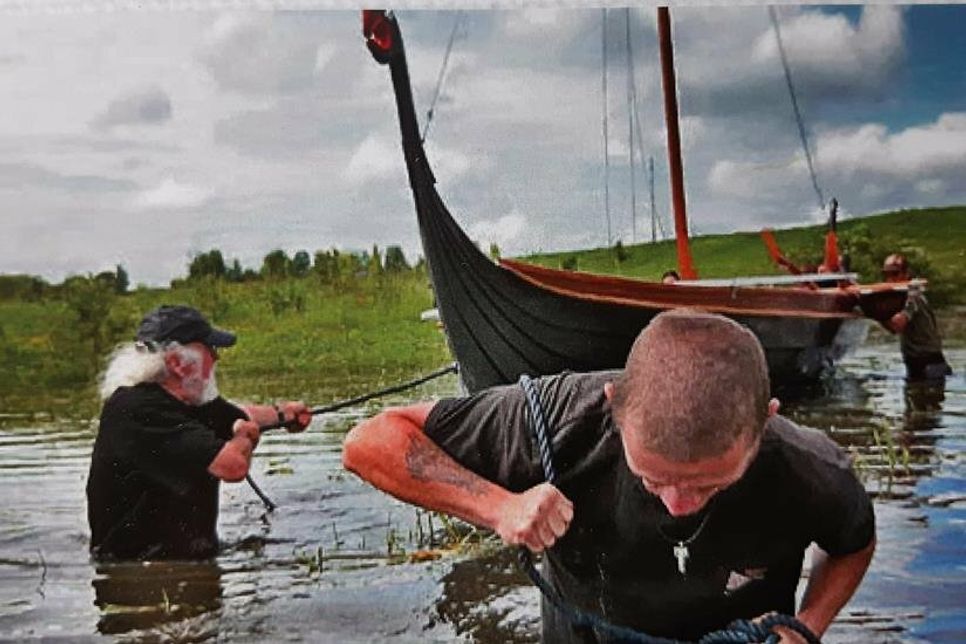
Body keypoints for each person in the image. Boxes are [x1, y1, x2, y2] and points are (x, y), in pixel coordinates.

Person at [343, 310, 876, 642]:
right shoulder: (556, 420)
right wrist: (497, 505)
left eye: (709, 484)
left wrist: (807, 626)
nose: (678, 505)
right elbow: (371, 441)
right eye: (652, 477)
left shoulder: (808, 467)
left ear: (768, 422)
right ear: (614, 407)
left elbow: (853, 542)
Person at [86, 305, 311, 561]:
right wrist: (244, 436)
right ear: (177, 363)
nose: (216, 358)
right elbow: (233, 467)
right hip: (135, 571)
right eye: (210, 350)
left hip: (185, 559)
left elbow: (237, 414)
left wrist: (283, 414)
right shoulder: (136, 411)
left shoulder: (186, 401)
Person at [880, 253, 952, 381]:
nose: (890, 279)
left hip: (930, 365)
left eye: (895, 274)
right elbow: (892, 328)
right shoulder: (900, 296)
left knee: (923, 399)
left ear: (906, 273)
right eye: (886, 274)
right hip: (916, 365)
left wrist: (874, 311)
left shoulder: (912, 295)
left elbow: (897, 324)